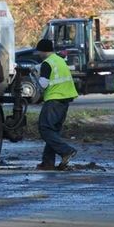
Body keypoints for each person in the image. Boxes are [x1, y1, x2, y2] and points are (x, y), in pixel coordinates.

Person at [35, 38, 79, 170]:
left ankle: (66, 151)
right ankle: (47, 163)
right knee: (53, 131)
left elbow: (43, 84)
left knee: (45, 129)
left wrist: (36, 75)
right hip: (65, 99)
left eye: (39, 52)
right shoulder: (59, 60)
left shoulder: (47, 63)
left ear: (42, 51)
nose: (38, 54)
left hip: (54, 99)